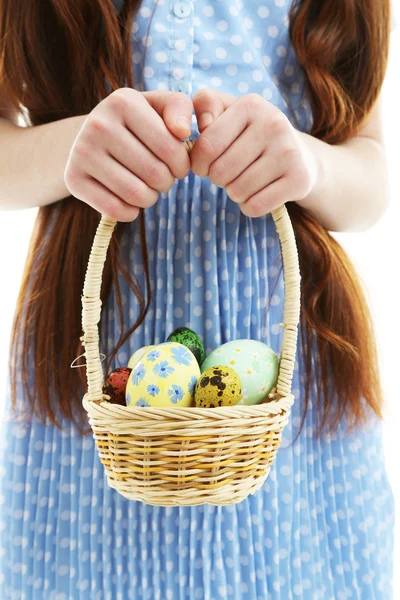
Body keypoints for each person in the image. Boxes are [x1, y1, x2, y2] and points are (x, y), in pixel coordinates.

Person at [0, 0, 396, 598]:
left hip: (281, 362)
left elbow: (371, 179)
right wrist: (71, 148)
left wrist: (307, 162)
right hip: (94, 360)